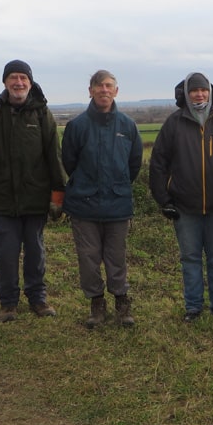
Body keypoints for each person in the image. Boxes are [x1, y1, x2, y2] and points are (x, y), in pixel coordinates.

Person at [0, 60, 66, 322]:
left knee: (35, 252)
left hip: (35, 196)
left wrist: (58, 193)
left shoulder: (42, 114)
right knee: (5, 254)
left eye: (23, 78)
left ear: (30, 83)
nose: (18, 82)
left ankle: (38, 299)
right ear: (5, 82)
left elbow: (53, 156)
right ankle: (8, 303)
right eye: (13, 78)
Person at [149, 72, 213, 323]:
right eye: (194, 91)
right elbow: (158, 163)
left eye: (203, 90)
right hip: (185, 207)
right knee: (190, 259)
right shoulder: (174, 123)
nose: (199, 95)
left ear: (211, 93)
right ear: (186, 94)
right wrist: (164, 200)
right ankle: (193, 308)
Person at [61, 70, 143, 329]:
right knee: (88, 258)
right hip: (84, 205)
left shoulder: (128, 126)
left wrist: (117, 186)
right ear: (90, 90)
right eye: (99, 86)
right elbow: (69, 162)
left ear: (116, 91)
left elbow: (134, 164)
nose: (104, 90)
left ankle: (122, 302)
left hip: (117, 205)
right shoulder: (77, 126)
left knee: (116, 257)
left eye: (109, 86)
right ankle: (96, 304)